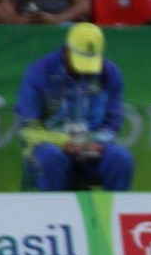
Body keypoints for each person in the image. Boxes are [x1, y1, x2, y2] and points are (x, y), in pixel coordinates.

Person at [15, 22, 134, 192]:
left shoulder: (110, 74)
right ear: (66, 50)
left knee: (121, 159)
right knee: (50, 157)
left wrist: (97, 142)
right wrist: (62, 142)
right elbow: (27, 129)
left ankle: (115, 215)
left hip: (92, 149)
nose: (83, 70)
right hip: (52, 148)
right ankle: (53, 216)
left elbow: (113, 121)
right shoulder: (38, 73)